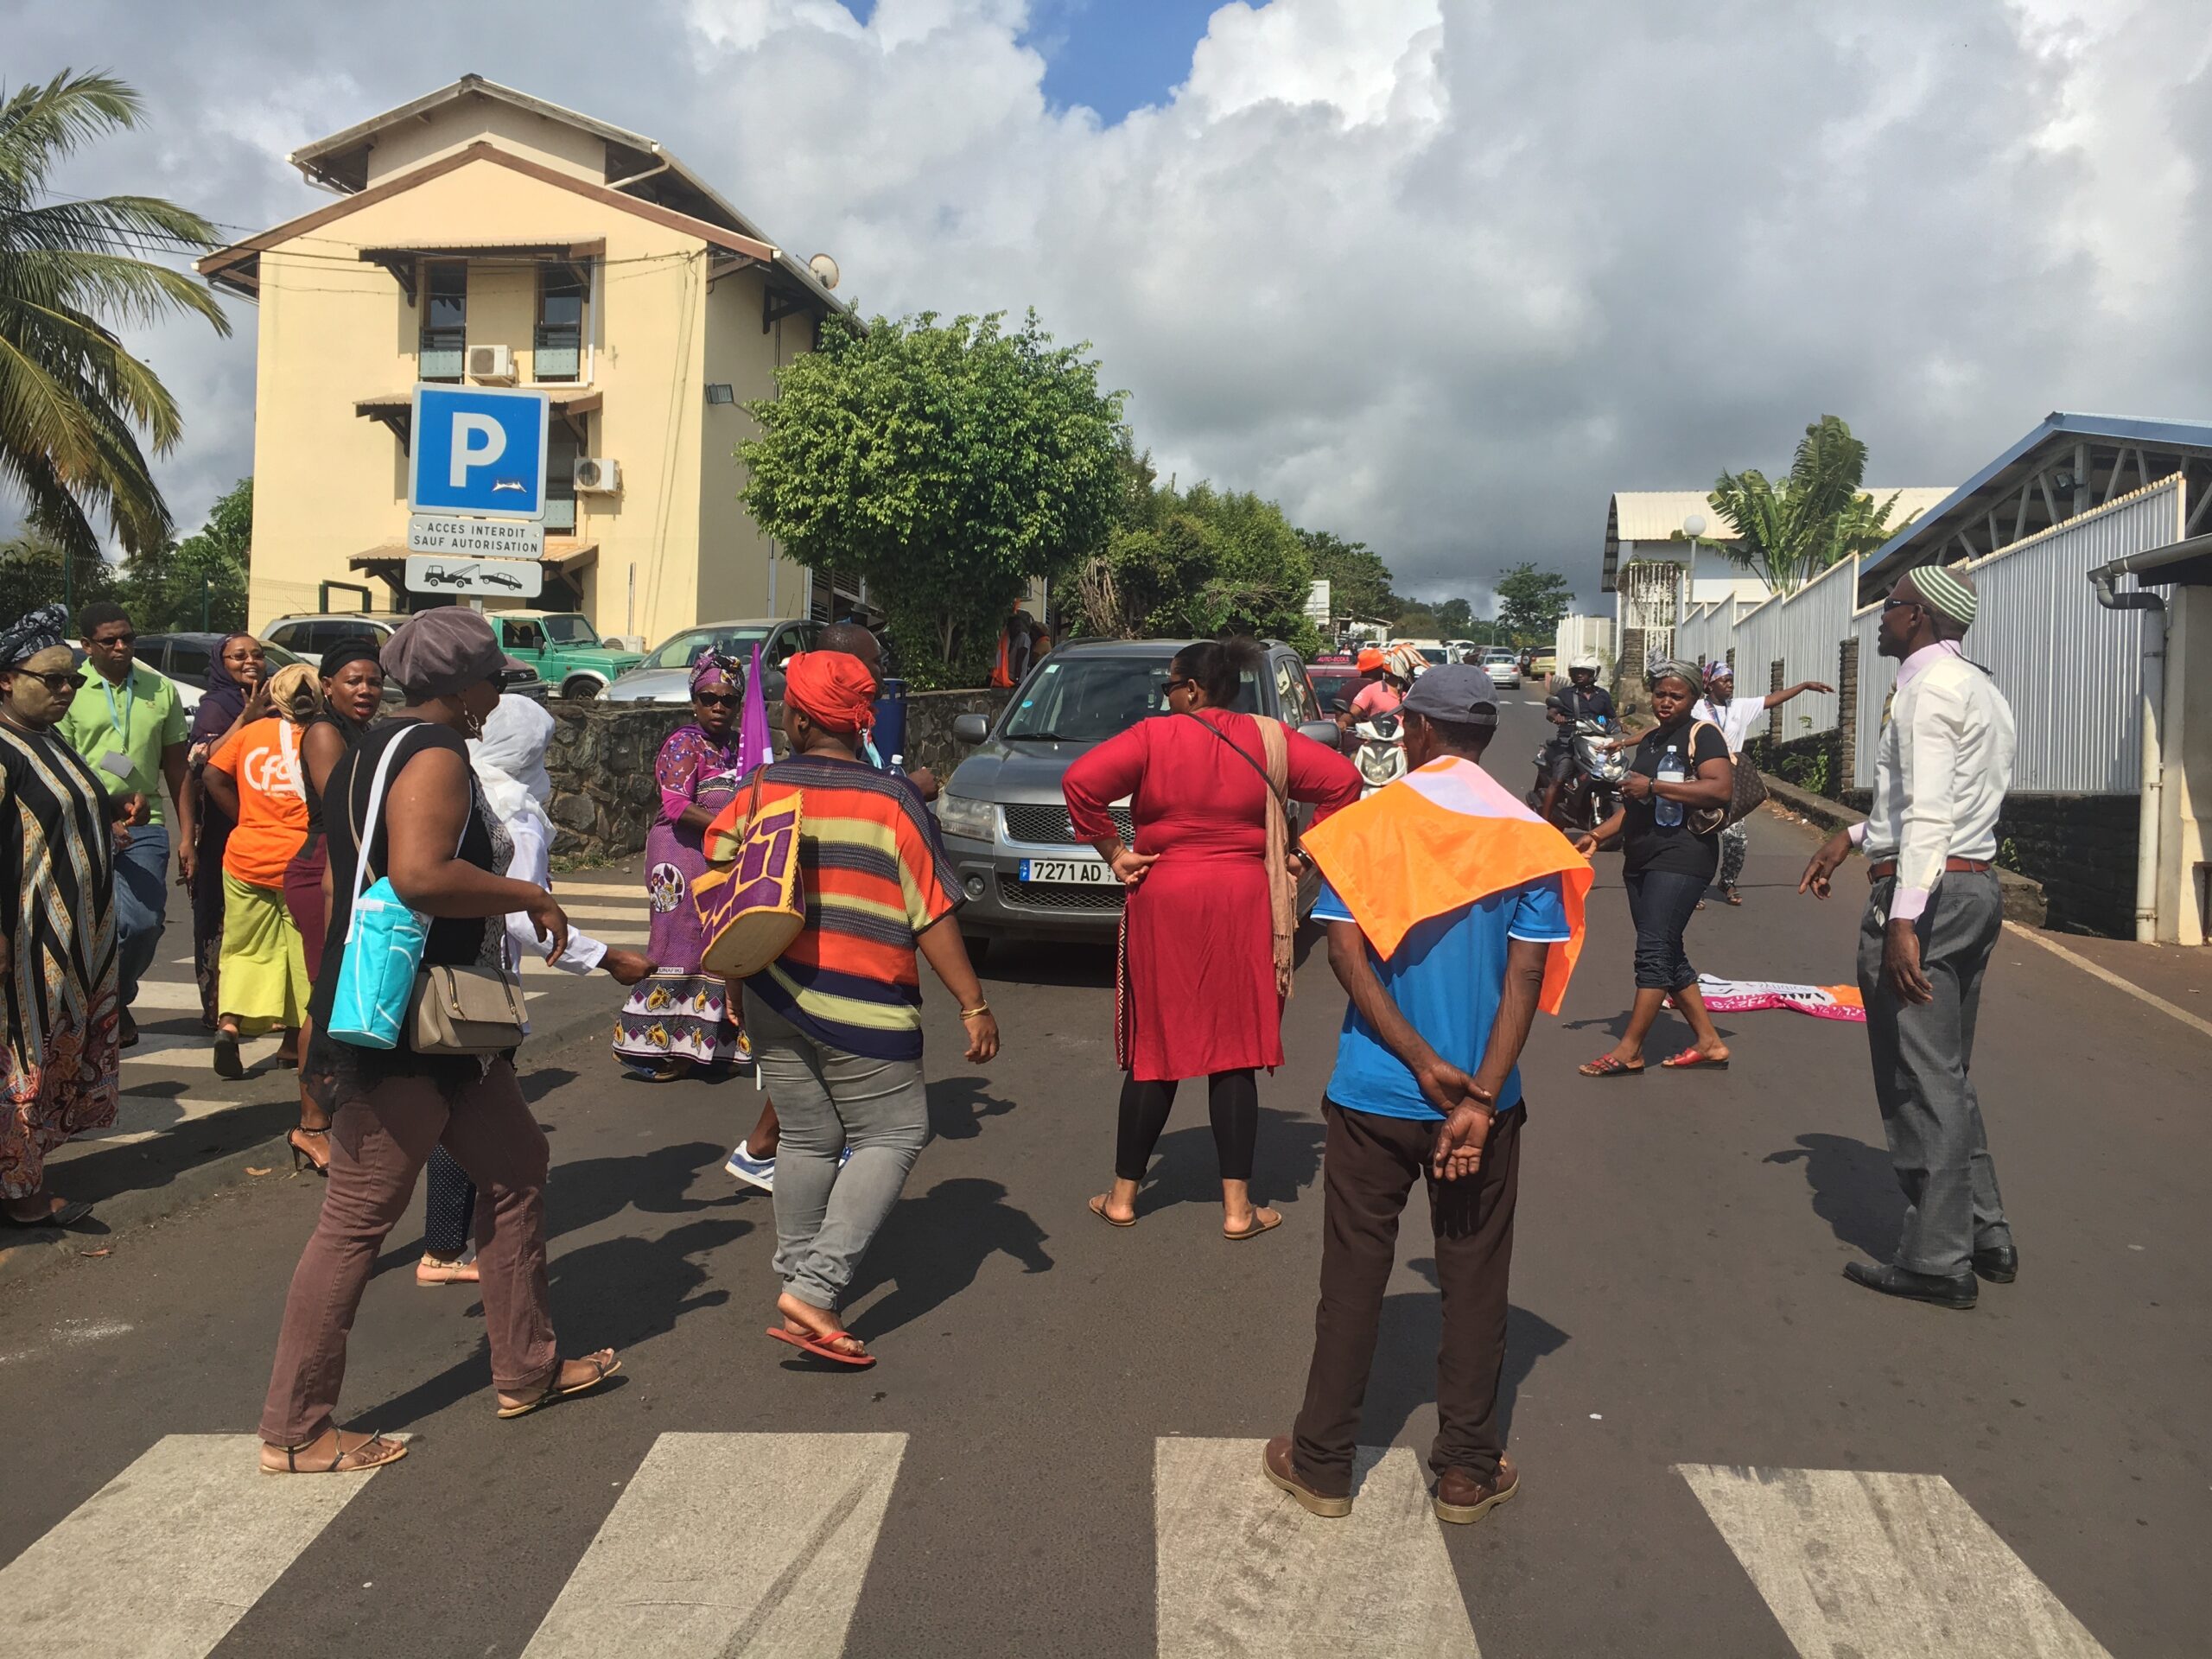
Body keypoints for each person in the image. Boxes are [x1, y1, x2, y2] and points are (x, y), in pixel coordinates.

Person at [259, 607, 620, 1475]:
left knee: (516, 1166)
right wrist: (524, 896)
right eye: (494, 677)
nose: (499, 692)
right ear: (463, 685)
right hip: (409, 1022)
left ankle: (526, 1368)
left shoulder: (368, 749)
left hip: (444, 1018)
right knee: (355, 1218)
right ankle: (296, 1428)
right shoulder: (433, 754)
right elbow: (420, 875)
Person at [1266, 664, 1590, 1524]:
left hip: (1374, 1092)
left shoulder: (1372, 827)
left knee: (1352, 1279)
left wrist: (1412, 1058)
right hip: (1484, 1105)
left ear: (1413, 728)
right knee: (1476, 1282)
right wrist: (1476, 1096)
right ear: (1482, 736)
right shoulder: (1529, 838)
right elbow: (1526, 972)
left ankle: (1324, 1463)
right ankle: (1465, 1472)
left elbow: (1343, 956)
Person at [702, 650, 997, 1369]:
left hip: (774, 994)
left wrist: (735, 980)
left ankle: (803, 1286)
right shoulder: (893, 800)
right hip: (867, 1004)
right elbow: (931, 914)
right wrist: (973, 1003)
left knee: (806, 1138)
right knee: (896, 1134)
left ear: (799, 719)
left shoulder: (760, 788)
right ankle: (816, 1287)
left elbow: (727, 882)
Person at [1065, 638, 1361, 1238]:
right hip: (1244, 901)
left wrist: (1116, 852)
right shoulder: (1269, 740)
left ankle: (1123, 1198)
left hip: (1165, 898)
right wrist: (1304, 852)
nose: (1167, 696)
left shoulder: (1152, 738)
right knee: (1236, 1051)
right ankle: (1237, 1210)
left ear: (1193, 689)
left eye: (1170, 686)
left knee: (1158, 1048)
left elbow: (1081, 783)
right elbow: (1344, 784)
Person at [1800, 566, 2018, 1310]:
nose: (1880, 619)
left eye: (1887, 606)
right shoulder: (1980, 688)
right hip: (1974, 886)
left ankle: (1936, 1259)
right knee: (1945, 1070)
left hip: (1930, 894)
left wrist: (1903, 919)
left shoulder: (1926, 692)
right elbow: (1946, 801)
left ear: (1918, 616)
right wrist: (1856, 835)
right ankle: (1984, 1230)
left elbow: (1928, 814)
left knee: (1917, 1079)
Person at [416, 694, 658, 1287]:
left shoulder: (454, 790)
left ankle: (444, 1244)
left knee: (443, 1111)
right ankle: (449, 1251)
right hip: (478, 982)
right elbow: (524, 917)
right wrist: (606, 958)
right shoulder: (516, 813)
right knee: (471, 1119)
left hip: (430, 969)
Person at [721, 620, 935, 1195]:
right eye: (867, 674)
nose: (876, 685)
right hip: (818, 963)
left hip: (798, 968)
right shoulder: (777, 777)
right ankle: (814, 1265)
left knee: (812, 1127)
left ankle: (801, 1258)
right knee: (885, 1132)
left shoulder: (837, 744)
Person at [1, 605, 124, 1230]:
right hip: (25, 940)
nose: (66, 690)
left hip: (75, 937)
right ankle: (19, 1192)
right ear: (5, 678)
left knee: (46, 1059)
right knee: (19, 1061)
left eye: (72, 680)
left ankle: (25, 1173)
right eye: (51, 679)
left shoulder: (46, 738)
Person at [1572, 659, 1735, 1076]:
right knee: (1667, 949)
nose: (1665, 702)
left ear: (1694, 698)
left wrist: (1656, 786)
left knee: (1653, 951)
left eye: (1676, 695)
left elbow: (1719, 788)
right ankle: (1709, 1042)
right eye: (1660, 694)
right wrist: (1596, 836)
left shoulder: (1704, 734)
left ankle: (1630, 1050)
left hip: (1683, 856)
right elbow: (1632, 805)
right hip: (1642, 857)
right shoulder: (1650, 741)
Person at [56, 601, 191, 1047]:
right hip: (84, 821)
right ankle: (97, 1005)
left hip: (145, 820)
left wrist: (188, 833)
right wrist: (101, 812)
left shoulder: (159, 688)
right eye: (109, 640)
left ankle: (116, 996)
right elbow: (66, 764)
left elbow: (177, 768)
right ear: (87, 645)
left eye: (127, 638)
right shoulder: (70, 690)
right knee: (91, 924)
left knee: (144, 922)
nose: (121, 646)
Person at [613, 652, 749, 1083]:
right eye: (709, 697)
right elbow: (676, 806)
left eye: (728, 699)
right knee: (679, 942)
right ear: (694, 700)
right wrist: (731, 828)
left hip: (720, 854)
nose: (718, 707)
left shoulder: (738, 747)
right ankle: (657, 1049)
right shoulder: (683, 744)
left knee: (718, 941)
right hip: (678, 854)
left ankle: (704, 1046)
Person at [282, 639, 386, 1173]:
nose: (366, 690)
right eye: (353, 680)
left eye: (373, 680)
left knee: (345, 992)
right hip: (323, 866)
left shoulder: (363, 731)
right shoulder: (325, 732)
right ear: (327, 686)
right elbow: (349, 808)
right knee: (325, 997)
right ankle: (309, 1126)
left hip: (347, 864)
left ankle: (342, 1110)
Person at [200, 663, 318, 1082]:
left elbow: (212, 773)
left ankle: (229, 1025)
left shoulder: (251, 734)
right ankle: (304, 1040)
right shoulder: (319, 738)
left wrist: (244, 819)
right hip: (301, 862)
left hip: (245, 858)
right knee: (302, 954)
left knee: (245, 948)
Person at [1692, 661, 1834, 906]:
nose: (1730, 684)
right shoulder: (1696, 709)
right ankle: (1696, 887)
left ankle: (1728, 882)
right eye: (1724, 679)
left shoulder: (1740, 707)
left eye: (1731, 679)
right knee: (1702, 834)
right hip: (1703, 778)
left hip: (1732, 780)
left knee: (1736, 838)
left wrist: (1803, 686)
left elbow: (1773, 699)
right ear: (1710, 684)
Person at [184, 634, 270, 1030]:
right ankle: (218, 1007)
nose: (250, 661)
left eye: (257, 654)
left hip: (266, 823)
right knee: (219, 915)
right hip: (222, 824)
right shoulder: (216, 705)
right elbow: (202, 760)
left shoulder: (274, 700)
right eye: (238, 656)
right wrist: (245, 720)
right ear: (222, 663)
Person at [1535, 654, 1614, 826]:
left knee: (1613, 775)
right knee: (1559, 778)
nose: (1579, 675)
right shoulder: (1565, 694)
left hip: (1596, 744)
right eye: (1576, 672)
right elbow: (1551, 712)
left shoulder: (1603, 696)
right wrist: (1557, 717)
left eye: (1584, 672)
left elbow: (1608, 717)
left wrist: (1616, 724)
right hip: (1568, 743)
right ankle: (1543, 823)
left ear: (1594, 674)